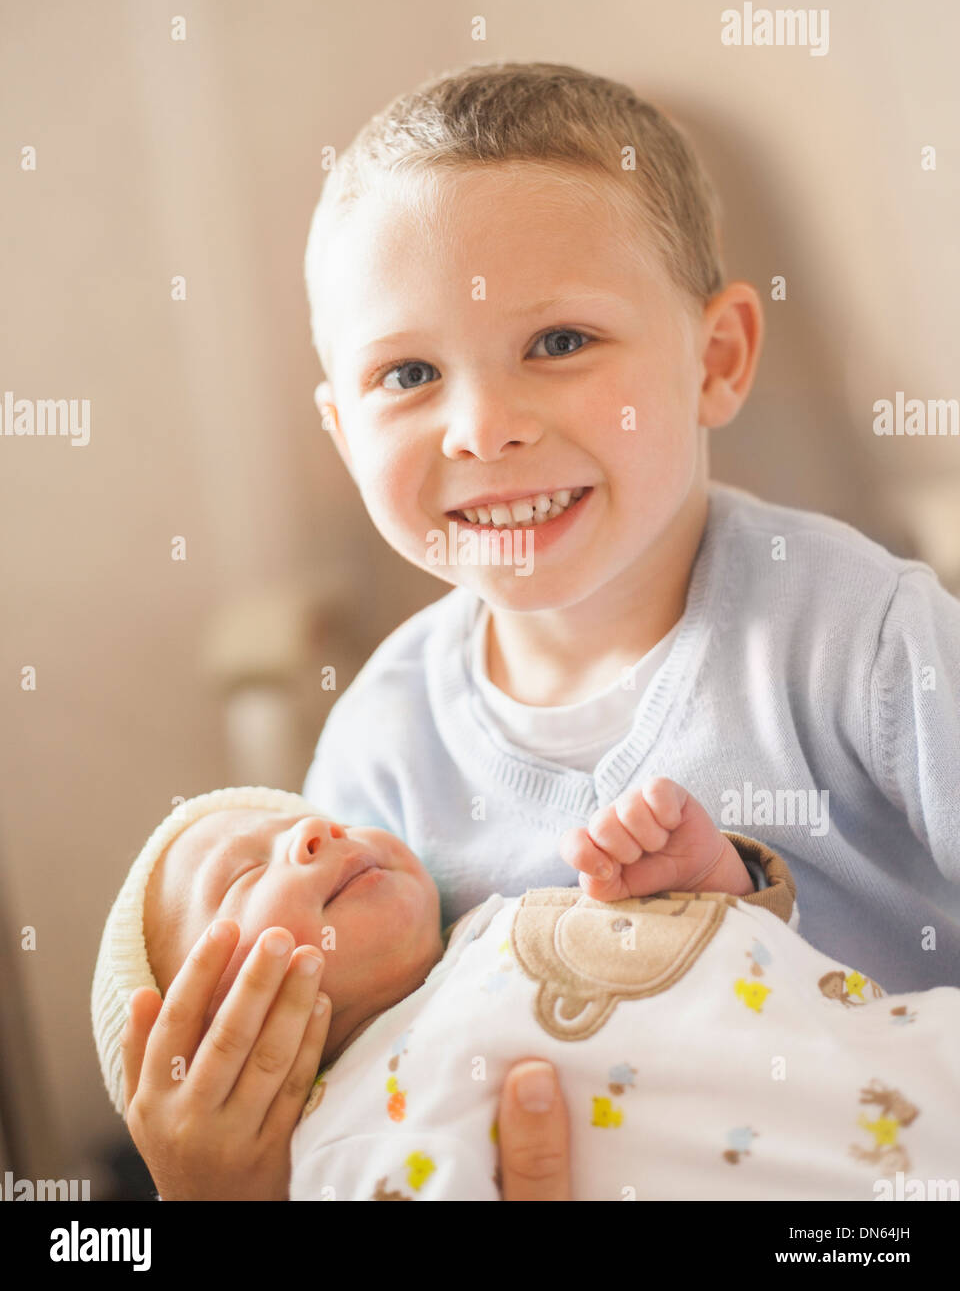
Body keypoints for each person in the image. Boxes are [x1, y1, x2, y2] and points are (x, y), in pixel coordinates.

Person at [123, 59, 960, 1199]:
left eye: (559, 343)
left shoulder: (863, 640)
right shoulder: (379, 751)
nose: (483, 428)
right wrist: (221, 1183)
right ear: (341, 429)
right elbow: (360, 1095)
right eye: (408, 373)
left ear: (716, 358)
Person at [98, 784, 960, 1201]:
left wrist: (713, 894)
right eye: (246, 872)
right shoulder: (342, 1141)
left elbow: (745, 991)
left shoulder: (493, 928)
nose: (317, 833)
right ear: (212, 1050)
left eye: (309, 819)